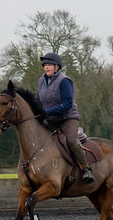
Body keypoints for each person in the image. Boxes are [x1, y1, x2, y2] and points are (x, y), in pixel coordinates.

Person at [37, 52, 94, 183]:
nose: (46, 67)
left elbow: (67, 104)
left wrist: (47, 112)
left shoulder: (64, 80)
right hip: (51, 119)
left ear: (57, 67)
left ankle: (86, 169)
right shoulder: (41, 81)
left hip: (68, 118)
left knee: (71, 141)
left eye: (49, 65)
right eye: (45, 65)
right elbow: (39, 101)